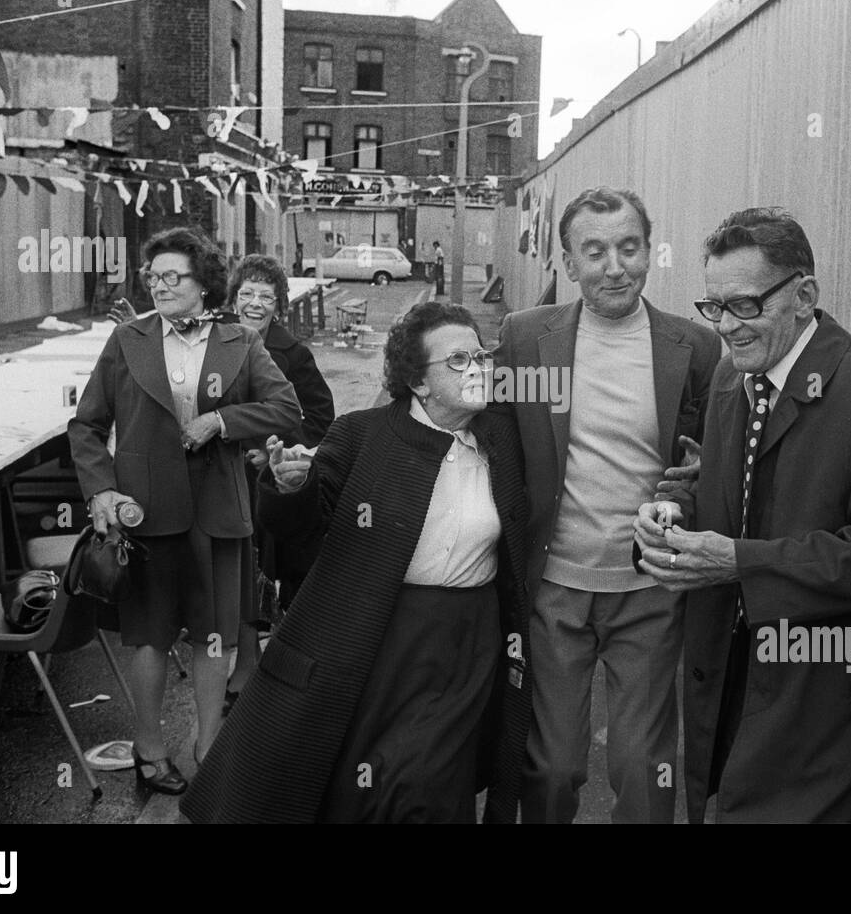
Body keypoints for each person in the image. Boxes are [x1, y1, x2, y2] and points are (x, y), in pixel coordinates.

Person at [635, 207, 851, 823]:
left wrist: (738, 564)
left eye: (745, 306)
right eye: (714, 307)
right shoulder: (734, 379)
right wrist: (673, 512)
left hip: (827, 697)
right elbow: (736, 497)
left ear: (804, 296)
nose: (726, 326)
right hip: (730, 683)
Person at [182, 302, 531, 823]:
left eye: (481, 355)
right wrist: (288, 486)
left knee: (431, 781)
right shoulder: (362, 435)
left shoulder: (502, 439)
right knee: (366, 782)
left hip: (466, 643)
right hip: (375, 640)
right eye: (458, 361)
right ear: (418, 382)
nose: (478, 368)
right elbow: (299, 528)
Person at [494, 186, 722, 824]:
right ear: (568, 263)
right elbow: (488, 432)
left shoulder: (694, 347)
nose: (614, 266)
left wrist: (693, 487)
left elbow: (708, 459)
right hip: (555, 589)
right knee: (553, 765)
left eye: (629, 247)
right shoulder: (526, 338)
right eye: (594, 252)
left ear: (650, 252)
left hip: (649, 588)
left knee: (644, 769)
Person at [68, 226, 303, 796]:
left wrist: (222, 421)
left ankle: (208, 750)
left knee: (213, 638)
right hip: (143, 517)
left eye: (174, 276)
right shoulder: (128, 340)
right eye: (154, 276)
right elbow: (87, 427)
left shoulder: (239, 341)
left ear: (204, 285)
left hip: (218, 515)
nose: (161, 285)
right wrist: (101, 492)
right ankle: (149, 750)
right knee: (148, 638)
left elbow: (286, 407)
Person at [222, 254, 335, 709]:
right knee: (230, 570)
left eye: (265, 296)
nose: (254, 303)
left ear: (279, 305)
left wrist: (274, 450)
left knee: (266, 572)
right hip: (221, 477)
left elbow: (321, 420)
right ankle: (242, 662)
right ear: (233, 300)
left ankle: (268, 671)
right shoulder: (218, 343)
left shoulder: (294, 354)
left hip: (268, 485)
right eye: (246, 294)